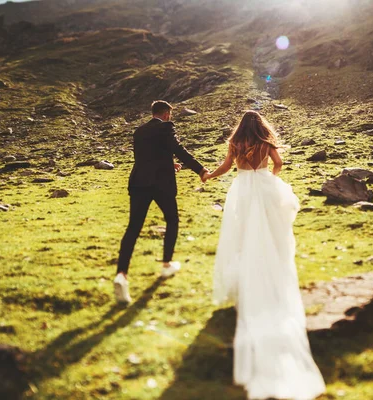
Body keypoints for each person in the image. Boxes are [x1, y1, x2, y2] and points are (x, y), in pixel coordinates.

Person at [204, 110, 326, 399]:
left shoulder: (235, 143)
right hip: (262, 185)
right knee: (271, 231)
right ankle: (269, 264)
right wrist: (269, 177)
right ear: (260, 125)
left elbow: (224, 168)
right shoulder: (264, 141)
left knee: (242, 234)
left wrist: (208, 175)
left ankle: (245, 276)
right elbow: (279, 163)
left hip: (242, 190)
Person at [114, 100, 209, 304]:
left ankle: (121, 274)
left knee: (133, 228)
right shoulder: (166, 128)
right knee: (172, 220)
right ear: (166, 114)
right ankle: (166, 264)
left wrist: (168, 163)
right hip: (161, 185)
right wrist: (200, 170)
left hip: (139, 182)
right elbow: (179, 150)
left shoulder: (139, 131)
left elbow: (146, 157)